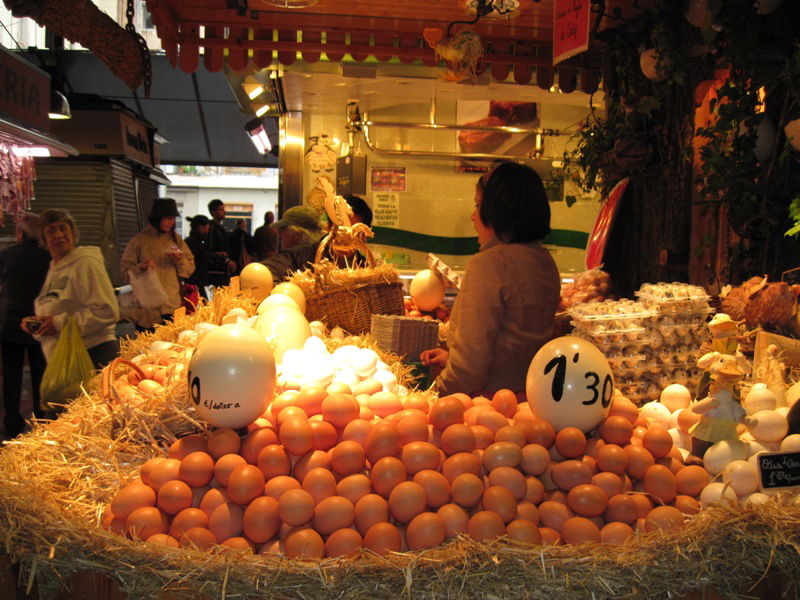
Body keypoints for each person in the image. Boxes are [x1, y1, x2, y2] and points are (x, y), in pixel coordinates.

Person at [420, 162, 560, 396]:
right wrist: (452, 359)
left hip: (488, 407)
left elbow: (468, 371)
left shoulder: (489, 264)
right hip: (532, 398)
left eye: (478, 205)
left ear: (497, 210)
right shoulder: (544, 260)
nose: (473, 216)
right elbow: (513, 341)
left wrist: (433, 396)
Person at [22, 209, 120, 369]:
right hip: (64, 359)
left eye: (63, 228)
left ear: (73, 233)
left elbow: (107, 311)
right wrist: (38, 324)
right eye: (51, 231)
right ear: (44, 240)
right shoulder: (55, 267)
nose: (59, 235)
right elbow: (56, 307)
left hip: (93, 355)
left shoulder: (85, 262)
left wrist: (57, 323)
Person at [0, 212, 51, 436]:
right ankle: (42, 419)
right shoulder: (50, 256)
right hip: (41, 323)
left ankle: (12, 421)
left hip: (11, 323)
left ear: (19, 233)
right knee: (41, 371)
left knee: (12, 374)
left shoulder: (6, 254)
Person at [120, 198, 195, 332]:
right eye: (167, 218)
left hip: (172, 305)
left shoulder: (175, 239)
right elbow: (124, 274)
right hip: (147, 309)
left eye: (173, 218)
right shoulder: (139, 241)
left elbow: (189, 270)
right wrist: (140, 267)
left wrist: (179, 260)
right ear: (156, 218)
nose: (171, 222)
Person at [262, 197, 373, 282]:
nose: (344, 239)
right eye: (340, 230)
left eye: (352, 232)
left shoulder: (367, 270)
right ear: (330, 228)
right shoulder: (299, 258)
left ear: (364, 235)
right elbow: (263, 272)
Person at [207, 199, 235, 287]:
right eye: (221, 209)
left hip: (222, 268)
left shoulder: (219, 228)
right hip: (216, 269)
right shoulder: (212, 228)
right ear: (213, 212)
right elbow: (210, 249)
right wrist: (225, 259)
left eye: (223, 209)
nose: (224, 212)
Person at [184, 215, 211, 300]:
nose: (208, 231)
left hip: (197, 283)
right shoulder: (192, 243)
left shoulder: (195, 242)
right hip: (194, 284)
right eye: (207, 228)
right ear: (201, 227)